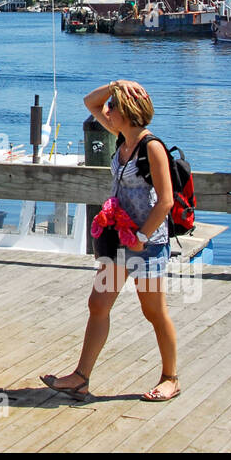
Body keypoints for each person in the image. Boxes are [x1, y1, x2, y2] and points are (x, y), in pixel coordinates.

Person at [40, 79, 180, 402]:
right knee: (98, 304)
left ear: (128, 112)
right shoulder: (122, 138)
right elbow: (90, 102)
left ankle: (170, 378)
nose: (107, 111)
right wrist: (116, 85)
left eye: (113, 106)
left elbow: (166, 202)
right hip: (118, 239)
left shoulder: (151, 147)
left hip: (148, 244)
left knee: (154, 311)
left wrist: (142, 238)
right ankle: (80, 377)